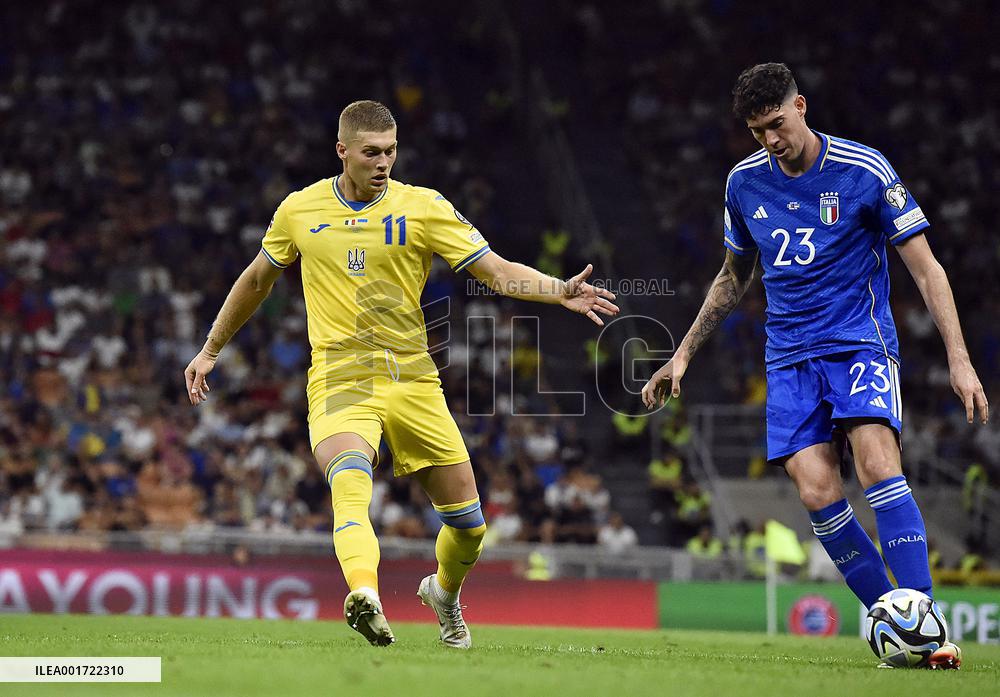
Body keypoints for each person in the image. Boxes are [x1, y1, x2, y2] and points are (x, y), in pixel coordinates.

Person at [184, 100, 618, 648]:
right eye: (371, 152)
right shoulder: (299, 210)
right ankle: (364, 594)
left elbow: (498, 272)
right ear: (342, 151)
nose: (384, 161)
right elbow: (255, 282)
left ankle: (444, 594)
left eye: (391, 150)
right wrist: (211, 348)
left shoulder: (423, 207)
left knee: (469, 526)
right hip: (340, 376)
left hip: (412, 378)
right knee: (349, 483)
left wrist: (560, 292)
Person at [641, 63, 989, 669]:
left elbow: (928, 269)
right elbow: (732, 276)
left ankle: (926, 623)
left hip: (859, 342)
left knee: (877, 460)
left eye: (777, 124)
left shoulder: (865, 170)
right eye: (757, 131)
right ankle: (900, 625)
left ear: (801, 105)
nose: (771, 140)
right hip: (788, 356)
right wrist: (683, 353)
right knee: (815, 488)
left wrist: (960, 362)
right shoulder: (743, 184)